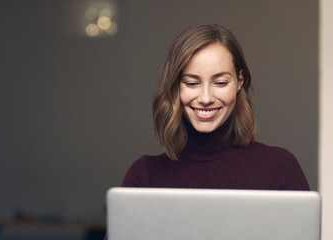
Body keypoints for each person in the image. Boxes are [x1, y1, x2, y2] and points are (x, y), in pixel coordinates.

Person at [121, 23, 309, 190]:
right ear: (175, 86)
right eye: (191, 83)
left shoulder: (279, 168)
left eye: (220, 83)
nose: (205, 98)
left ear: (239, 82)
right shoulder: (145, 176)